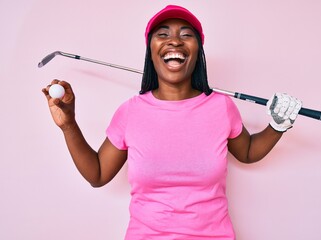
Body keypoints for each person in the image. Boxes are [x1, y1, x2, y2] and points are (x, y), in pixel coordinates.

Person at [42, 5, 302, 240]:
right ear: (151, 51)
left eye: (186, 35)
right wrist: (69, 125)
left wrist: (277, 126)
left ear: (197, 51)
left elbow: (246, 152)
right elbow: (97, 174)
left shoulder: (221, 107)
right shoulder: (130, 112)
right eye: (163, 34)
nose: (174, 40)